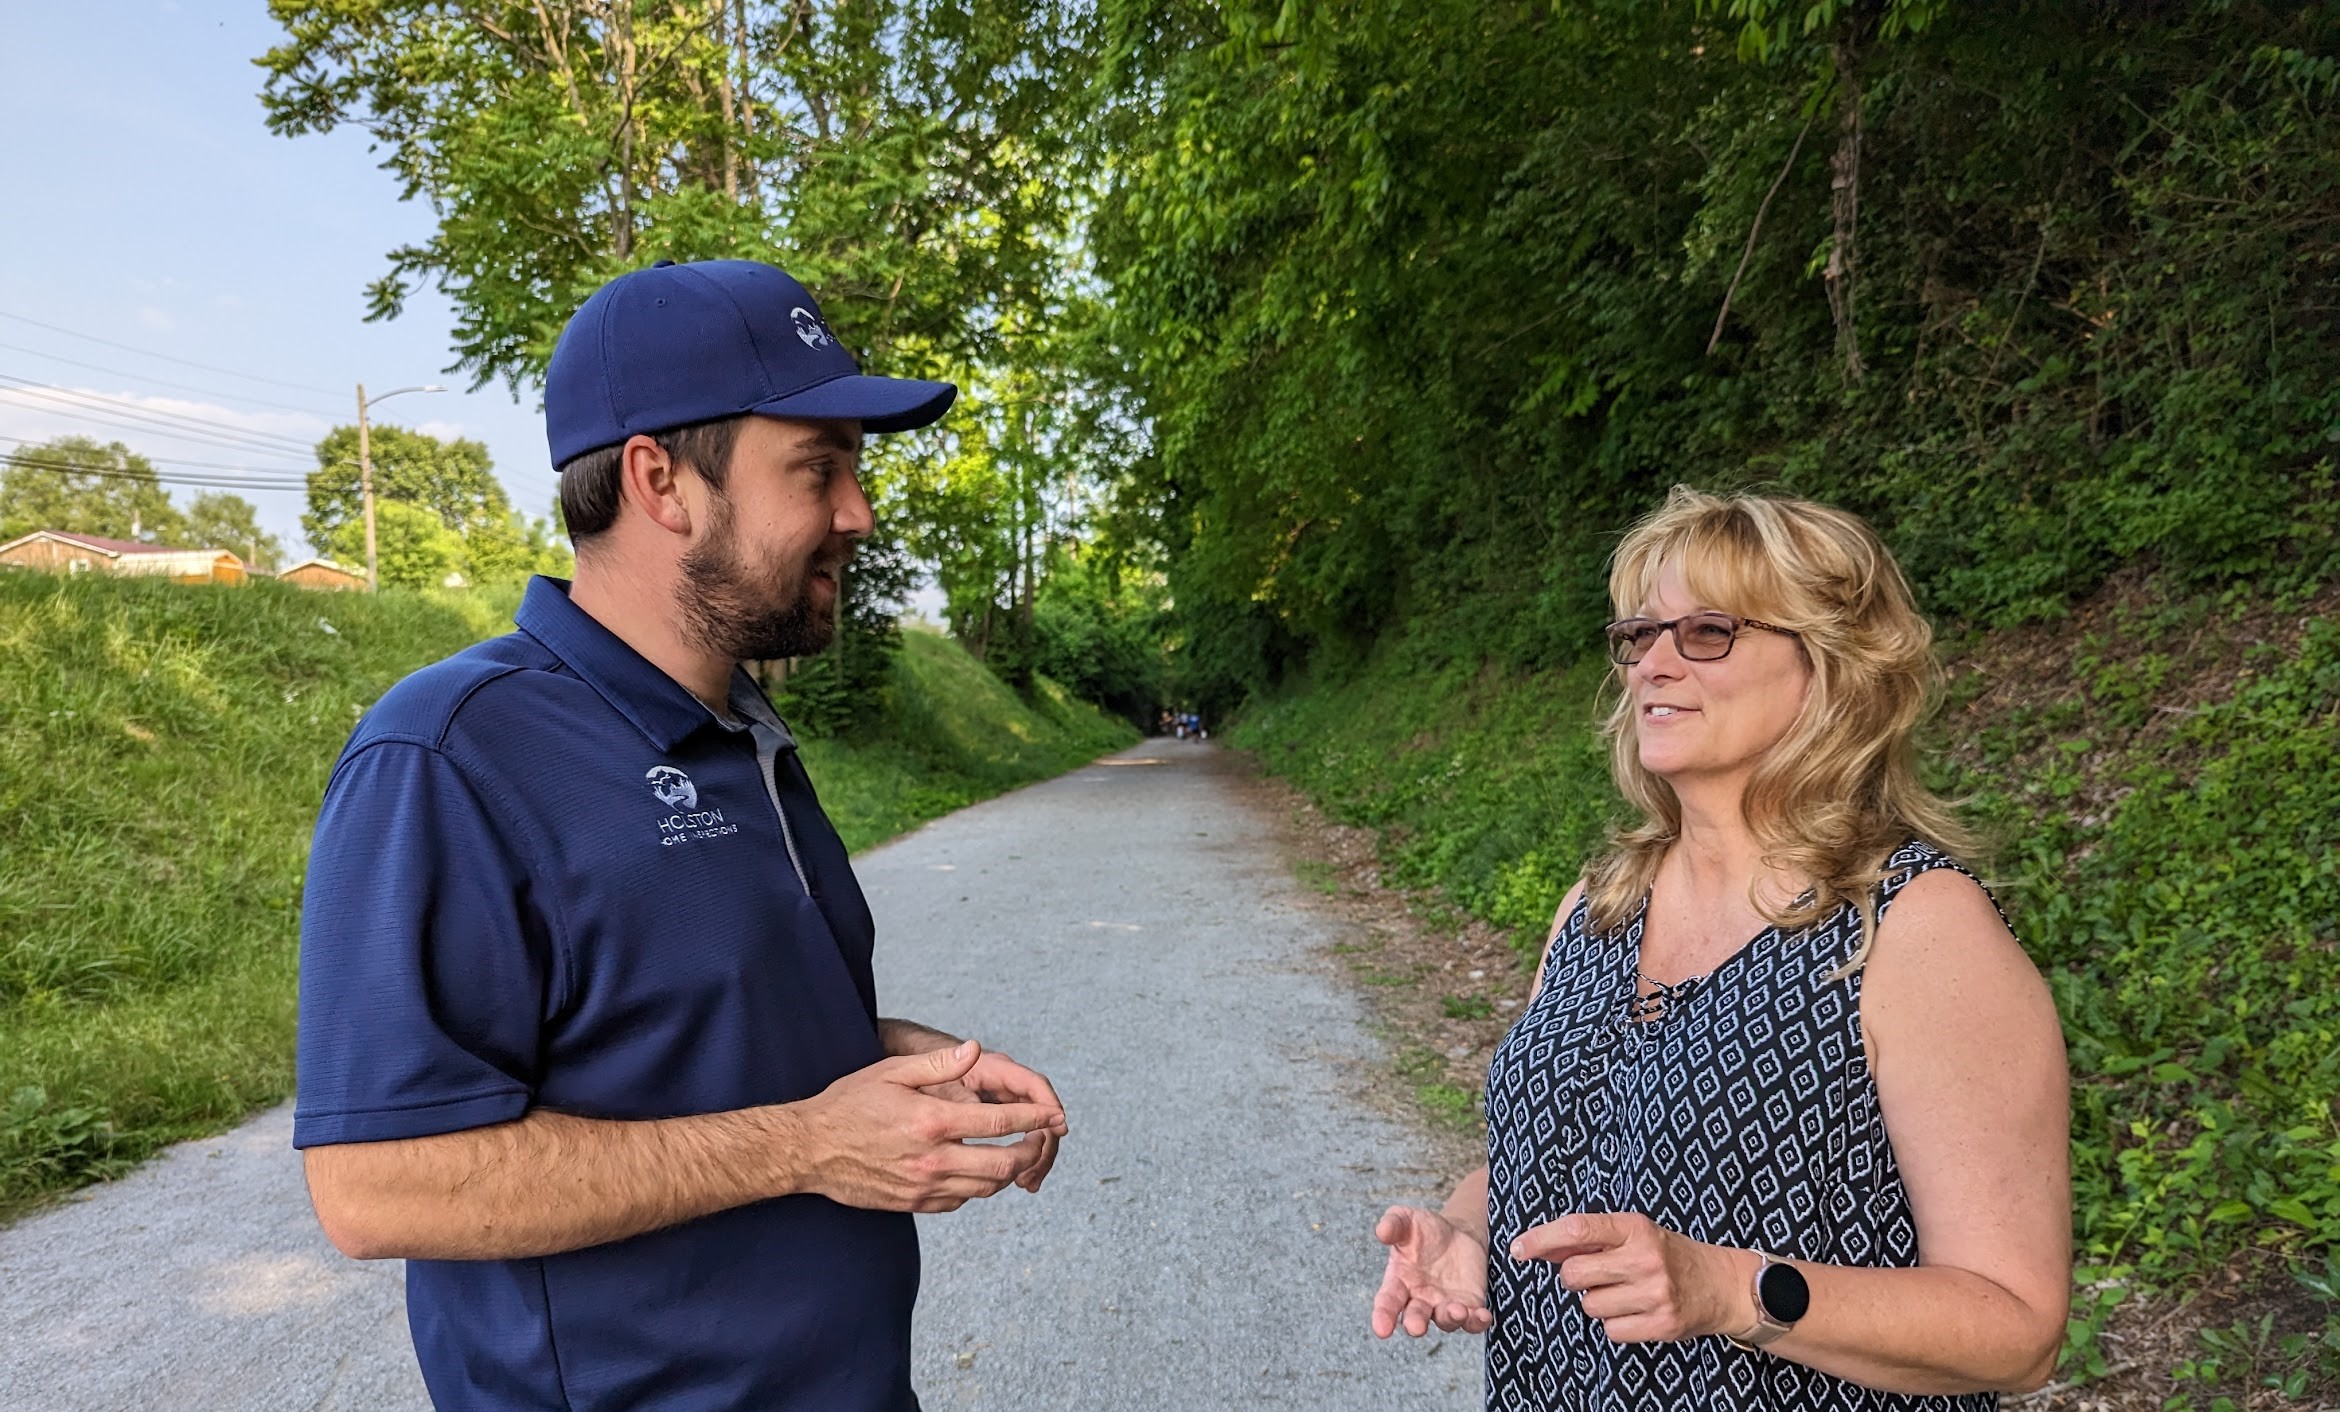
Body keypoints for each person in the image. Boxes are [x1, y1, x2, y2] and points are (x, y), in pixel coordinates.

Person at [294, 258, 1068, 1412]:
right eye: (819, 467)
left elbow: (687, 1018)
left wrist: (902, 1058)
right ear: (663, 480)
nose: (858, 511)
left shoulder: (742, 728)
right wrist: (805, 1142)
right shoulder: (452, 755)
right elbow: (376, 1182)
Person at [1371, 487, 2070, 1409]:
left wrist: (1728, 1292)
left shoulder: (1914, 929)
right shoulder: (1597, 908)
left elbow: (2016, 1330)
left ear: (1830, 668)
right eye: (1639, 634)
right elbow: (1570, 1153)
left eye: (1707, 632)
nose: (1653, 664)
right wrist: (1469, 1227)